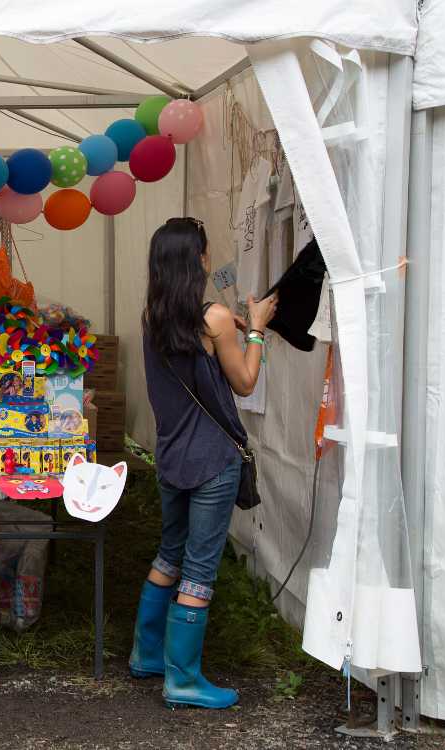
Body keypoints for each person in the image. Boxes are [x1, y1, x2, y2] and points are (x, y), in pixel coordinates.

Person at [129, 218, 277, 710]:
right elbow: (246, 382)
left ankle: (147, 655)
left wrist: (227, 327)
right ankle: (184, 680)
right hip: (212, 461)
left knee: (169, 553)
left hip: (172, 457)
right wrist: (255, 329)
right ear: (199, 259)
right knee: (198, 569)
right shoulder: (212, 318)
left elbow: (198, 346)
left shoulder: (153, 315)